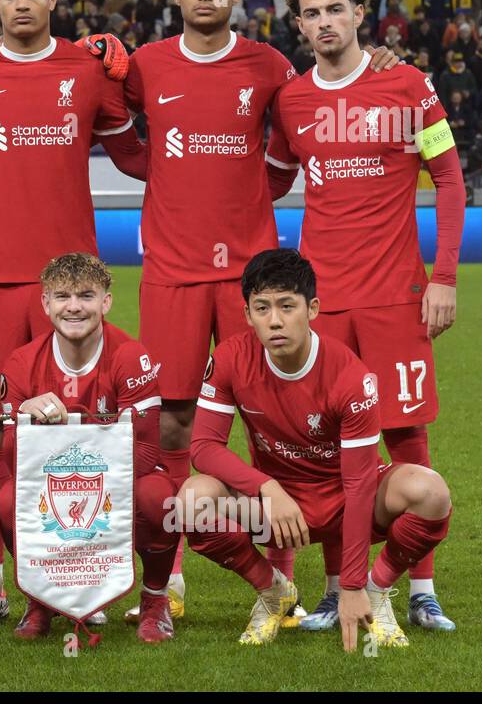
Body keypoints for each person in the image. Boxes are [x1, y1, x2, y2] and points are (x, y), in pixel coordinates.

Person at [104, 0, 399, 626]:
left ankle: (302, 582)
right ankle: (169, 577)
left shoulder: (270, 67)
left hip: (251, 273)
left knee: (281, 419)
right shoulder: (146, 66)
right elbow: (119, 138)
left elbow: (288, 151)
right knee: (172, 419)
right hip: (171, 272)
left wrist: (381, 59)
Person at [0, 0, 145, 621]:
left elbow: (139, 154)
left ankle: (80, 572)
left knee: (77, 427)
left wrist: (134, 74)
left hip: (71, 285)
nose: (22, 4)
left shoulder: (88, 69)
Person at [267, 0, 465, 632]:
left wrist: (443, 278)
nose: (324, 22)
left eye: (335, 9)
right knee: (325, 447)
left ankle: (420, 590)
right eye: (311, 14)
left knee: (408, 435)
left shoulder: (407, 85)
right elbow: (265, 179)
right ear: (299, 26)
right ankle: (337, 589)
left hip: (394, 297)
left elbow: (451, 180)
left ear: (360, 12)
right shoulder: (291, 100)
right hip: (323, 304)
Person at [180, 249, 452, 650]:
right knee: (191, 501)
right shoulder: (229, 359)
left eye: (287, 306)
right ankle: (274, 592)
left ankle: (377, 593)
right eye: (262, 308)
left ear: (313, 309)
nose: (275, 320)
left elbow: (359, 483)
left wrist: (355, 583)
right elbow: (202, 447)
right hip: (280, 504)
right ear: (248, 314)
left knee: (431, 492)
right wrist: (267, 487)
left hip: (346, 499)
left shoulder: (350, 376)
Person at [0, 254, 175, 643]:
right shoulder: (22, 362)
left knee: (159, 497)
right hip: (54, 483)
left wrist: (69, 450)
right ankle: (40, 598)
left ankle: (155, 600)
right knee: (8, 498)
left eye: (86, 296)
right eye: (62, 296)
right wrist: (25, 420)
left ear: (106, 302)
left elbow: (146, 453)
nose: (73, 306)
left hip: (117, 481)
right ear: (45, 304)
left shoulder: (131, 357)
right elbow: (11, 460)